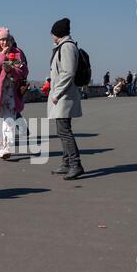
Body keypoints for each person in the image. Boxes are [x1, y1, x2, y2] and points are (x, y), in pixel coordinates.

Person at [48, 18, 84, 180]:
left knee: (64, 131)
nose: (51, 36)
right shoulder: (63, 47)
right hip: (62, 96)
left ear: (58, 33)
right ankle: (66, 163)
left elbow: (68, 73)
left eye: (53, 32)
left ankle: (76, 164)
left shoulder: (67, 47)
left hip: (64, 97)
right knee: (62, 131)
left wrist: (56, 94)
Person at [0, 27, 29, 160]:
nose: (4, 42)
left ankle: (6, 148)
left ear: (11, 40)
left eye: (6, 39)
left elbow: (24, 72)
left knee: (9, 122)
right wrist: (1, 55)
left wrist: (12, 70)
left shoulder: (17, 53)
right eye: (2, 40)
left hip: (11, 94)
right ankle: (0, 147)